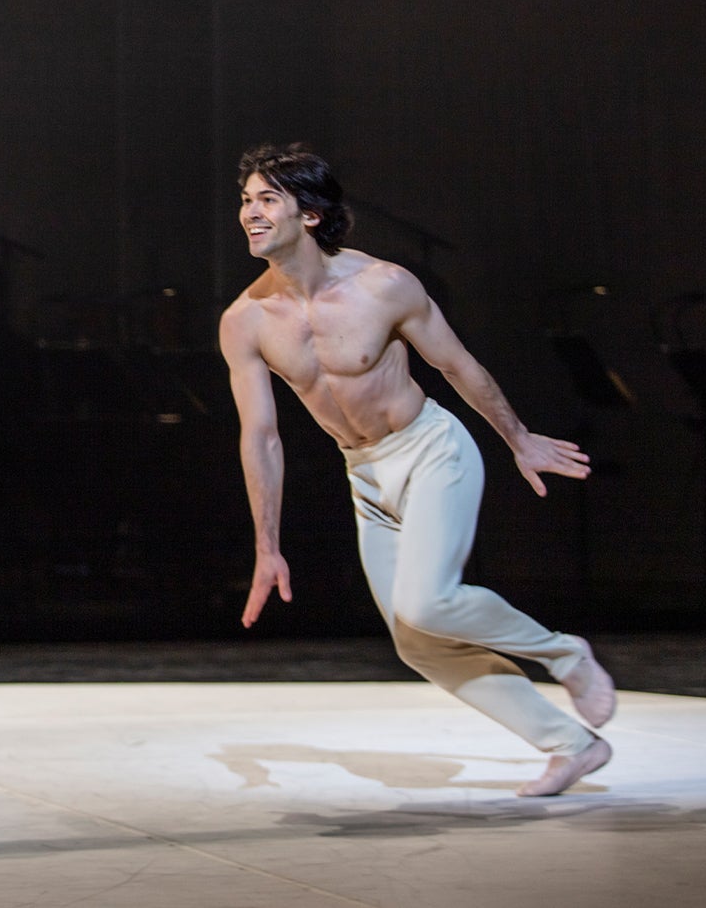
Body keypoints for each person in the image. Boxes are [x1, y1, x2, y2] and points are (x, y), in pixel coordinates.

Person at [221, 142, 614, 797]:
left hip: (431, 451)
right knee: (417, 640)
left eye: (267, 200)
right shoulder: (248, 320)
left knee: (427, 600)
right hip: (366, 476)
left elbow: (458, 366)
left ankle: (566, 654)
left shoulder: (384, 286)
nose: (250, 214)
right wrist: (267, 545)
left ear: (309, 215)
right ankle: (571, 743)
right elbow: (260, 437)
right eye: (245, 201)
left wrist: (518, 439)